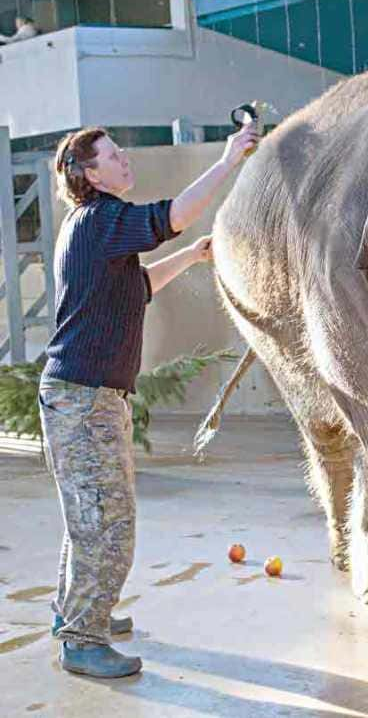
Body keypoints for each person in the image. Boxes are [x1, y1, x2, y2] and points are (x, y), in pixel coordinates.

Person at [40, 120, 260, 678]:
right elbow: (171, 217)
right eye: (112, 156)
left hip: (82, 394)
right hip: (84, 398)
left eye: (120, 152)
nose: (123, 160)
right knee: (108, 523)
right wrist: (230, 157)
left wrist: (193, 256)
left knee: (87, 516)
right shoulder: (101, 220)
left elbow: (136, 289)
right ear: (89, 174)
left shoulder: (91, 227)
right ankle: (82, 638)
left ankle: (77, 612)